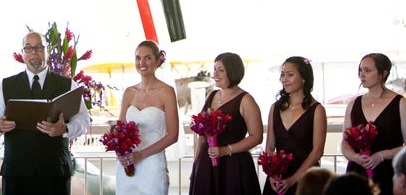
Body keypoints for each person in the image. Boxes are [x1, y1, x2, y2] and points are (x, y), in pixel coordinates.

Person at [0, 31, 91, 195]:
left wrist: (65, 129)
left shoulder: (68, 85)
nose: (34, 51)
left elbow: (84, 120)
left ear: (47, 51)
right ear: (23, 53)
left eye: (39, 47)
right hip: (17, 173)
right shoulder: (6, 85)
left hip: (55, 172)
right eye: (29, 48)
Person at [189, 52, 263, 195]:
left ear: (233, 71)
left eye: (221, 70)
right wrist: (196, 164)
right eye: (214, 69)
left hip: (234, 164)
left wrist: (225, 150)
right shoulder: (212, 95)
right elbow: (202, 136)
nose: (215, 74)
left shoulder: (246, 100)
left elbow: (257, 136)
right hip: (208, 162)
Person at [341, 53, 406, 194]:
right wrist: (355, 157)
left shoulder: (400, 103)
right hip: (358, 173)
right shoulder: (353, 104)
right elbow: (345, 144)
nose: (362, 75)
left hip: (388, 172)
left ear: (383, 73)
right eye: (360, 70)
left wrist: (382, 155)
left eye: (367, 70)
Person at [115, 40, 179, 195]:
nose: (142, 62)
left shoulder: (167, 92)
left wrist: (141, 155)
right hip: (128, 164)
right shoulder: (129, 93)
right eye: (138, 58)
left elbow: (173, 136)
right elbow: (119, 130)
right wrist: (120, 152)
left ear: (157, 61)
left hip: (152, 165)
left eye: (147, 58)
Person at [264, 56, 327, 195]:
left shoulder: (317, 110)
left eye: (290, 74)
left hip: (306, 181)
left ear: (304, 78)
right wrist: (272, 174)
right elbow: (269, 146)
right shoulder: (275, 108)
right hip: (278, 179)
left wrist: (293, 180)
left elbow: (317, 152)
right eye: (282, 74)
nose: (284, 79)